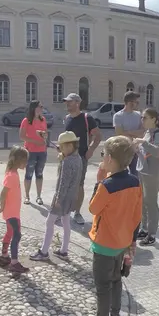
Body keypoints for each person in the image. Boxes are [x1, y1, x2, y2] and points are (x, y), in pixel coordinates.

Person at [77, 136, 142, 316]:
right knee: (116, 279)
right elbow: (137, 214)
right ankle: (115, 314)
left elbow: (93, 208)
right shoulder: (135, 182)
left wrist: (99, 182)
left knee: (102, 285)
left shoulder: (106, 185)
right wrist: (132, 240)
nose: (102, 158)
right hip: (122, 241)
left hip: (104, 243)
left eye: (103, 154)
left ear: (111, 159)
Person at [31, 131, 82, 261]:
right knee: (66, 222)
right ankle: (64, 251)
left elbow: (63, 183)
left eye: (63, 147)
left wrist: (58, 199)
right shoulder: (78, 158)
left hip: (61, 197)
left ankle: (44, 252)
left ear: (70, 146)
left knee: (49, 222)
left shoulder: (67, 162)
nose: (61, 149)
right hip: (71, 197)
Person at [62, 93, 102, 226]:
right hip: (66, 158)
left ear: (77, 103)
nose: (67, 104)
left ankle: (77, 213)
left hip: (81, 157)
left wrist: (90, 150)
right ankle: (65, 210)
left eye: (70, 102)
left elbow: (98, 136)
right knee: (66, 184)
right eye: (66, 102)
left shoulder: (87, 118)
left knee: (79, 185)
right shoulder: (67, 118)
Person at [133, 108, 159, 246]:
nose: (142, 120)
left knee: (151, 203)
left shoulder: (157, 135)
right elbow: (143, 152)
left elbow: (158, 152)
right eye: (141, 117)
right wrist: (136, 149)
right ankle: (144, 228)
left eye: (145, 117)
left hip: (152, 174)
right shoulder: (147, 133)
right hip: (142, 171)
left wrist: (143, 142)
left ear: (154, 119)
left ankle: (151, 234)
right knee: (142, 202)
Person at [0, 146, 30, 274]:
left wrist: (2, 207)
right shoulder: (12, 175)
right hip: (12, 213)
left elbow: (5, 193)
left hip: (11, 212)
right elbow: (3, 193)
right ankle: (14, 263)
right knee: (17, 235)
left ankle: (4, 256)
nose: (26, 163)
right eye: (25, 161)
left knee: (10, 233)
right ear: (18, 160)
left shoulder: (11, 173)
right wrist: (2, 206)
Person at [19, 100, 49, 205]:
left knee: (39, 174)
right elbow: (22, 136)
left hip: (42, 151)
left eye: (42, 107)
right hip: (31, 151)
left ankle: (39, 196)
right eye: (40, 107)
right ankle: (27, 196)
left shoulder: (43, 119)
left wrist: (44, 135)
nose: (42, 109)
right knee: (29, 174)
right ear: (34, 108)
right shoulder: (26, 121)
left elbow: (46, 133)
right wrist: (35, 141)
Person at [113, 91, 143, 175]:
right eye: (136, 102)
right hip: (123, 149)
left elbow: (142, 133)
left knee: (136, 175)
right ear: (130, 103)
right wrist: (134, 133)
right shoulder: (118, 116)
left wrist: (127, 132)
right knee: (121, 174)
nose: (137, 104)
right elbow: (119, 134)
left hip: (136, 150)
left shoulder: (138, 115)